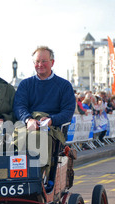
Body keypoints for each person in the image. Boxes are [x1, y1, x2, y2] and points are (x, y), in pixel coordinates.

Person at [14, 46, 76, 178]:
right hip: (28, 125)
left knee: (40, 138)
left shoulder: (64, 86)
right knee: (8, 140)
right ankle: (16, 175)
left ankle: (41, 177)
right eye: (37, 62)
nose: (40, 65)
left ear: (52, 62)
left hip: (53, 128)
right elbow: (19, 106)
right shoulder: (25, 84)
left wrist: (51, 120)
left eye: (44, 61)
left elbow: (67, 111)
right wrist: (28, 119)